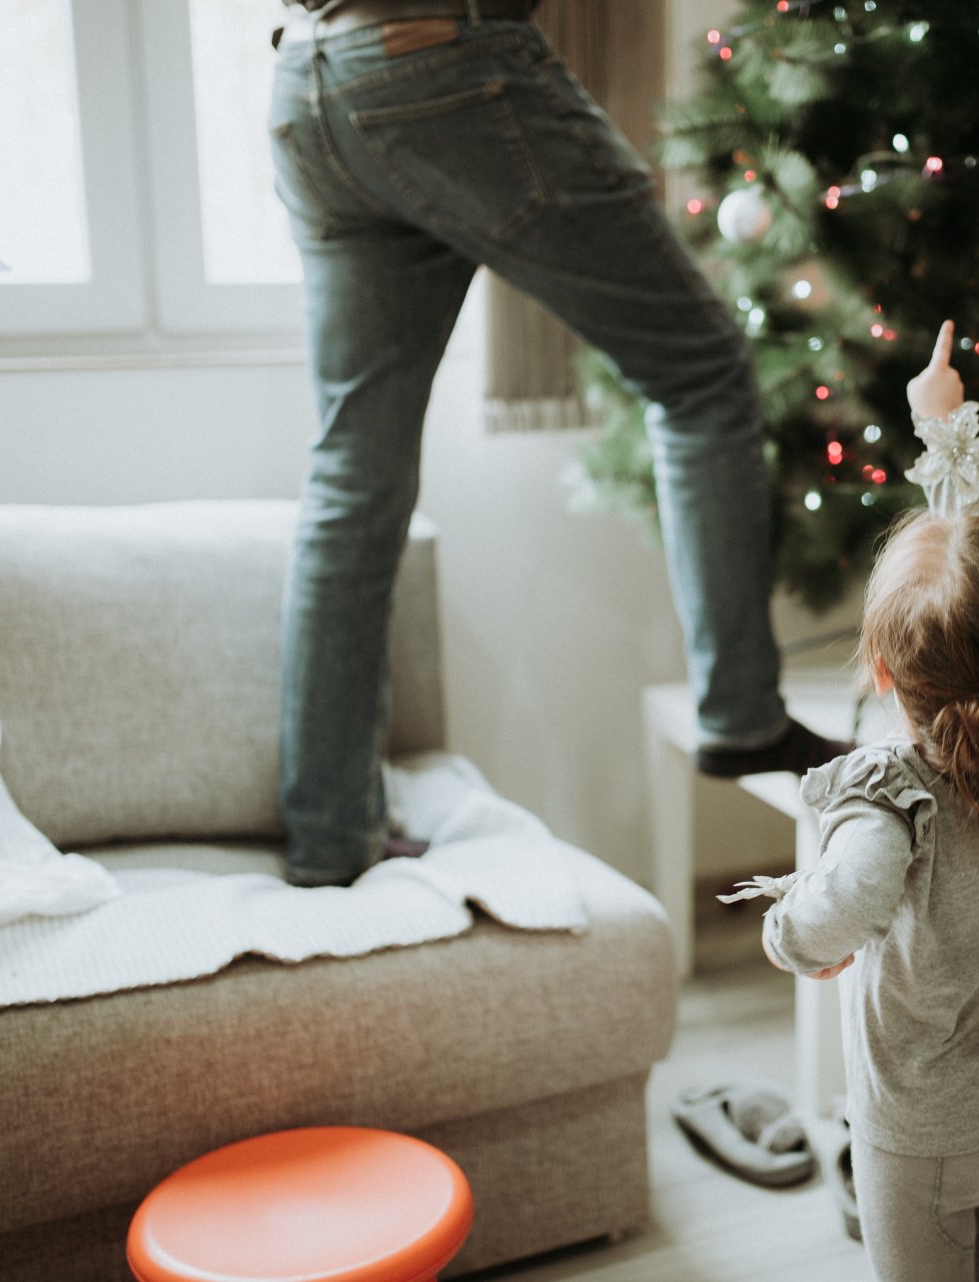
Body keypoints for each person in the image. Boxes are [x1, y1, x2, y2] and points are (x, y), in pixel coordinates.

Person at [264, 0, 847, 887]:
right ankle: (740, 715)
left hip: (308, 80)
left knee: (351, 476)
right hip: (442, 61)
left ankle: (328, 835)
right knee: (702, 371)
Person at [731, 323, 979, 1282]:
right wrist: (947, 430)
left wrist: (793, 935)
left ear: (883, 674)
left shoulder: (889, 797)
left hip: (923, 1136)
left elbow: (852, 895)